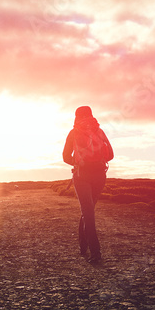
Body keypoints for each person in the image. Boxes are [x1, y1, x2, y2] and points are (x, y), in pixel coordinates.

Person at [62, 105, 114, 264]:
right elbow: (111, 155)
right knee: (88, 211)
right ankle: (84, 247)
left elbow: (65, 157)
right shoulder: (99, 131)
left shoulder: (74, 132)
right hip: (99, 175)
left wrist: (78, 162)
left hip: (82, 175)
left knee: (88, 213)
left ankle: (95, 252)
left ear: (76, 117)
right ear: (91, 115)